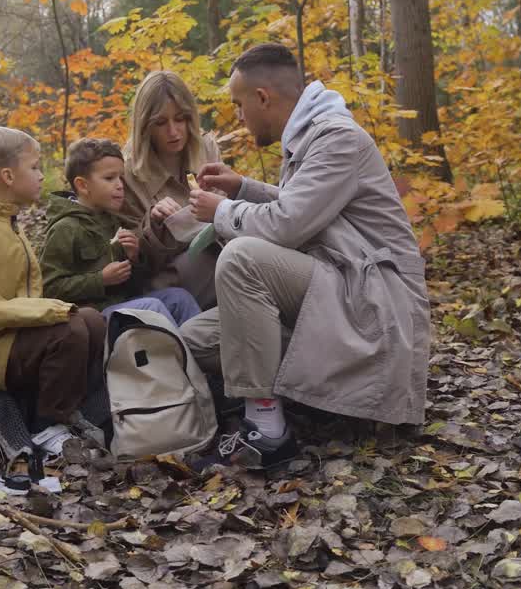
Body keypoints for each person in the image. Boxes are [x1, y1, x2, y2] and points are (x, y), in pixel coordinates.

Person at [182, 42, 431, 470]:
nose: (238, 118)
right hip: (345, 287)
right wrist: (243, 188)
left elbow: (288, 225)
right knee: (195, 340)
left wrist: (222, 211)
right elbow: (310, 210)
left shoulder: (337, 137)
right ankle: (314, 404)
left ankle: (266, 432)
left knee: (242, 258)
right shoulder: (311, 137)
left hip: (376, 304)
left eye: (239, 105)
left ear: (262, 97)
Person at [0, 127, 106, 446]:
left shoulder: (9, 224)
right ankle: (47, 427)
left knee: (92, 321)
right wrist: (48, 310)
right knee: (69, 330)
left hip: (10, 338)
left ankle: (69, 409)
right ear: (8, 176)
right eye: (34, 167)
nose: (42, 175)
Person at [40, 137, 200, 328]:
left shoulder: (112, 220)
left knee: (179, 298)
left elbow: (133, 287)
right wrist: (100, 280)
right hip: (93, 318)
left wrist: (134, 258)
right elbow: (49, 288)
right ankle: (178, 356)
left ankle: (202, 352)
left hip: (124, 305)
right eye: (109, 178)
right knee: (151, 307)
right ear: (82, 185)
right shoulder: (65, 228)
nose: (120, 185)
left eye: (121, 178)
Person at [121, 71, 222, 309]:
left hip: (222, 256)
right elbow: (131, 261)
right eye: (161, 123)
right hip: (167, 283)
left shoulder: (206, 148)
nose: (174, 132)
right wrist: (154, 224)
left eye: (180, 119)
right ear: (145, 126)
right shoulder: (127, 173)